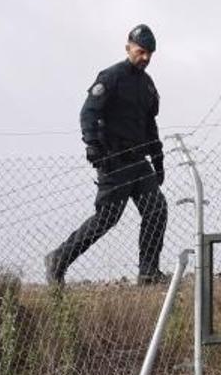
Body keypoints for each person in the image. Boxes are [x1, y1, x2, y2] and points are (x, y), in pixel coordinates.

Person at [45, 24, 169, 286]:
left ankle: (148, 272)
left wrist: (158, 159)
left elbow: (150, 126)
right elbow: (88, 112)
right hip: (113, 160)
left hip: (139, 162)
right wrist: (92, 146)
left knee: (156, 209)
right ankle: (59, 258)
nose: (145, 58)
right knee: (107, 218)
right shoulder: (111, 77)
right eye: (141, 51)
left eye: (150, 54)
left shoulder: (147, 86)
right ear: (129, 48)